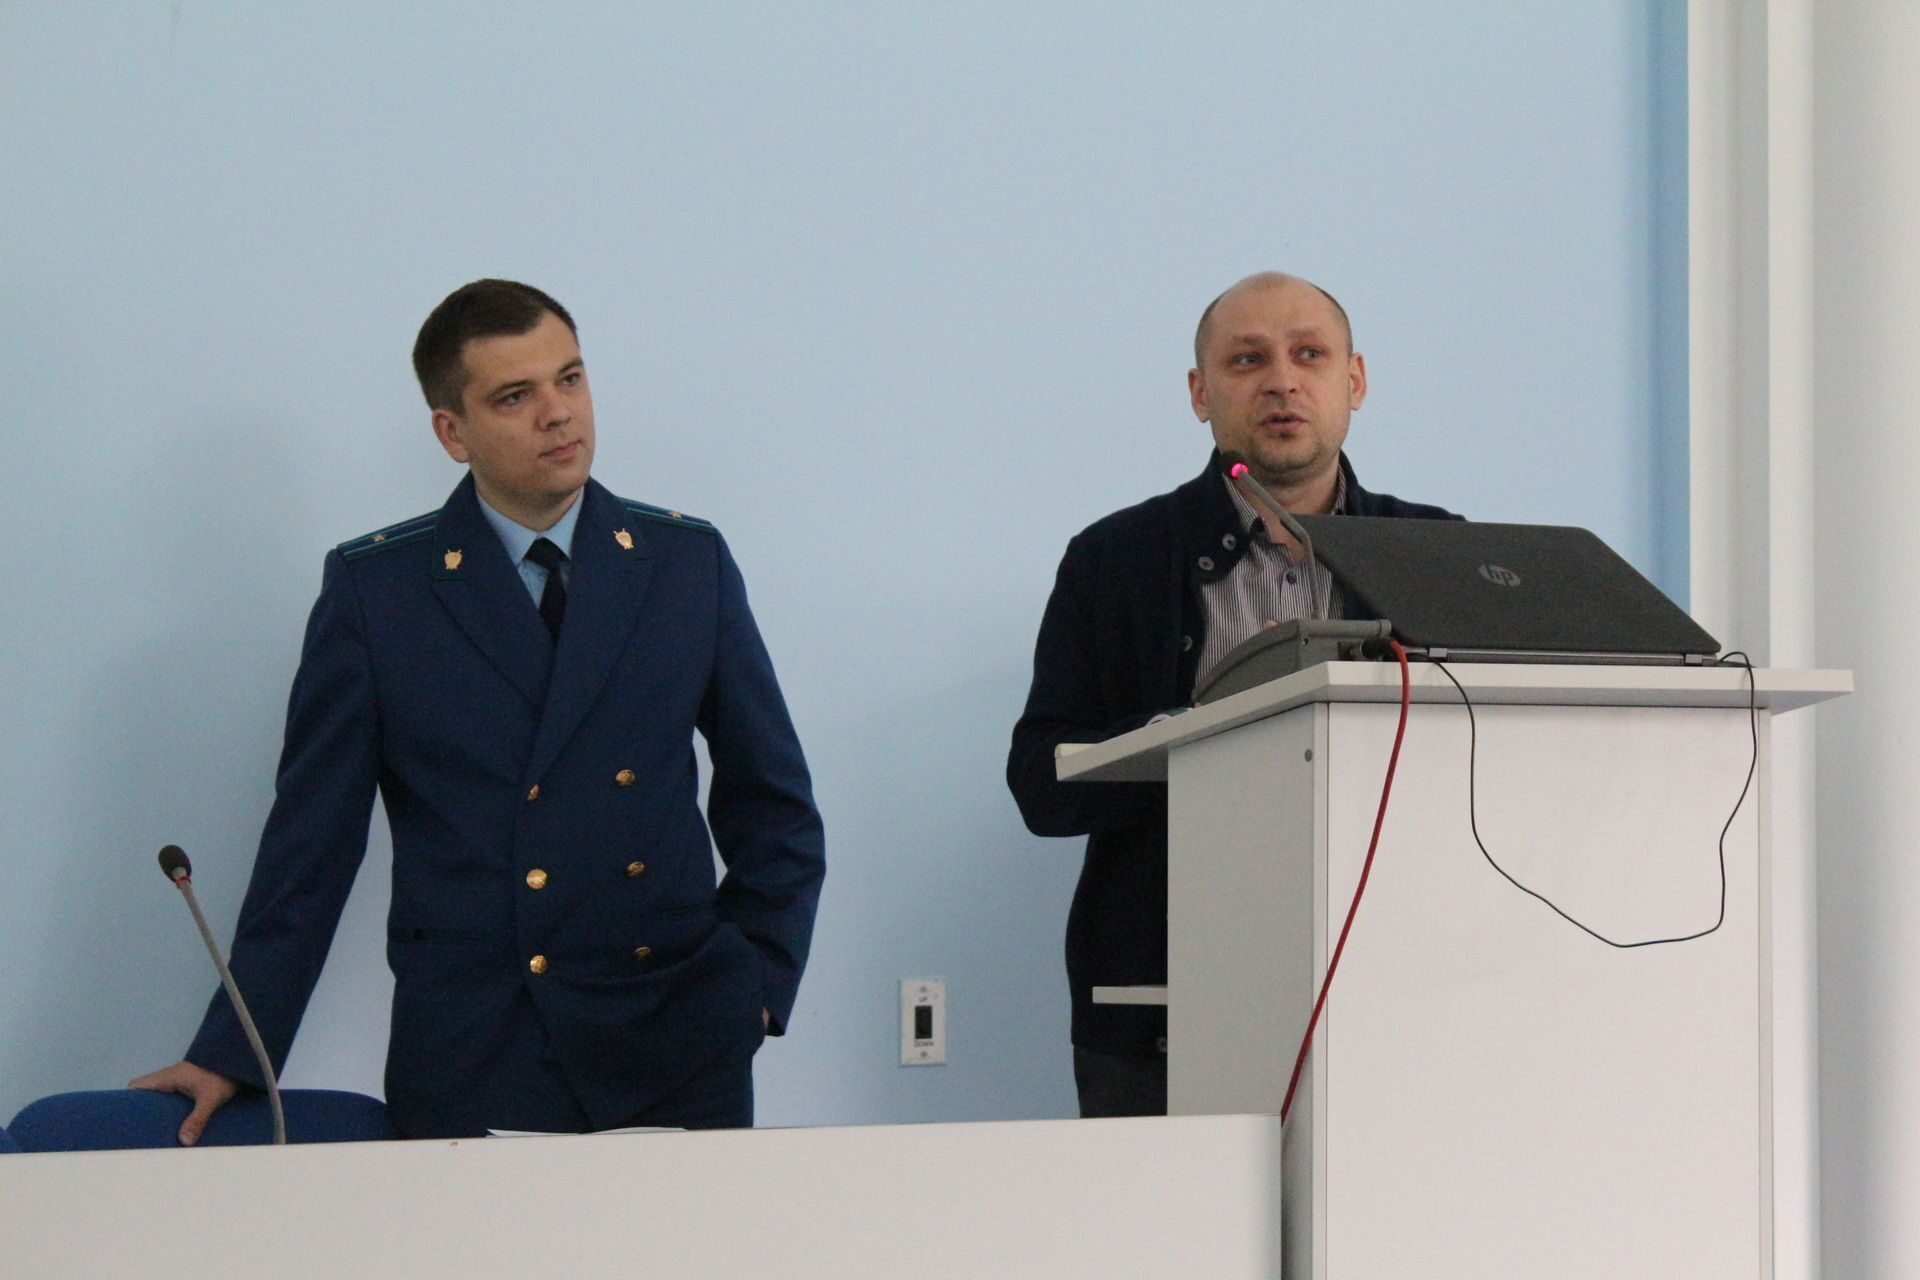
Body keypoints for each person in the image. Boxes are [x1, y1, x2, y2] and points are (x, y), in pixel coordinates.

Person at [133, 279, 825, 1140]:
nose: (558, 414)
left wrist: (756, 989)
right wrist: (236, 1049)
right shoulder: (379, 593)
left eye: (570, 378)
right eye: (514, 396)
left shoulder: (686, 564)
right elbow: (312, 844)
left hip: (675, 1039)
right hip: (479, 1050)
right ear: (452, 433)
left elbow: (773, 803)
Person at [1006, 271, 1460, 1117]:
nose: (1281, 381)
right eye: (1247, 360)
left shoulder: (1437, 552)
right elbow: (1040, 784)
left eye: (1309, 355)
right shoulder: (1114, 559)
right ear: (1199, 392)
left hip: (1394, 996)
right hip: (1161, 1009)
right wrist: (1197, 743)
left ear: (1355, 381)